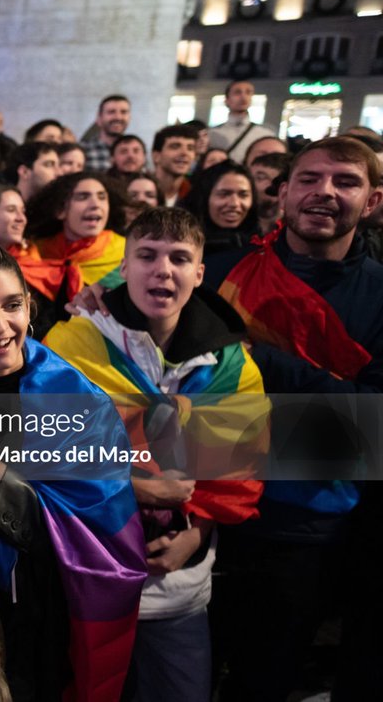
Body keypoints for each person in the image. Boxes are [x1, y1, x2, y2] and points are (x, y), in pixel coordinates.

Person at [0, 234, 146, 701]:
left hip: (49, 601)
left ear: (29, 307)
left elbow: (101, 526)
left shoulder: (74, 395)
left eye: (11, 305)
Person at [45, 208, 266, 701]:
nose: (162, 269)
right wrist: (137, 487)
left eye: (180, 258)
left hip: (179, 587)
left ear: (200, 274)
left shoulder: (233, 363)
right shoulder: (69, 345)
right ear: (122, 268)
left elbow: (239, 468)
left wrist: (197, 531)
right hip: (87, 579)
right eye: (146, 255)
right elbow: (43, 456)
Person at [200, 136, 383, 701]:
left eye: (345, 182)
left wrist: (256, 363)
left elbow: (368, 437)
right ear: (282, 193)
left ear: (373, 201)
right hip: (203, 518)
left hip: (311, 535)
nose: (324, 192)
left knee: (267, 681)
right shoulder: (218, 276)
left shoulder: (379, 295)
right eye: (309, 179)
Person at [24, 172, 126, 332]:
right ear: (60, 210)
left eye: (102, 197)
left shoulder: (127, 253)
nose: (95, 204)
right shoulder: (35, 252)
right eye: (83, 197)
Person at [179, 160, 259, 255]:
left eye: (243, 195)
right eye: (224, 194)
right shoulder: (180, 246)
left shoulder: (261, 247)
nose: (234, 204)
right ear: (204, 198)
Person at [208, 81, 275, 164]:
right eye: (237, 92)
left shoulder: (265, 134)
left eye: (248, 92)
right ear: (226, 100)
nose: (243, 97)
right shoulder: (212, 134)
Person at [81, 94, 131, 173]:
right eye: (111, 112)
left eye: (123, 112)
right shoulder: (83, 150)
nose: (118, 117)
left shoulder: (135, 152)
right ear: (99, 118)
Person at [151, 125, 199, 206]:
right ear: (156, 156)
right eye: (175, 147)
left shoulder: (196, 197)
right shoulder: (138, 192)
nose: (184, 153)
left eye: (190, 148)